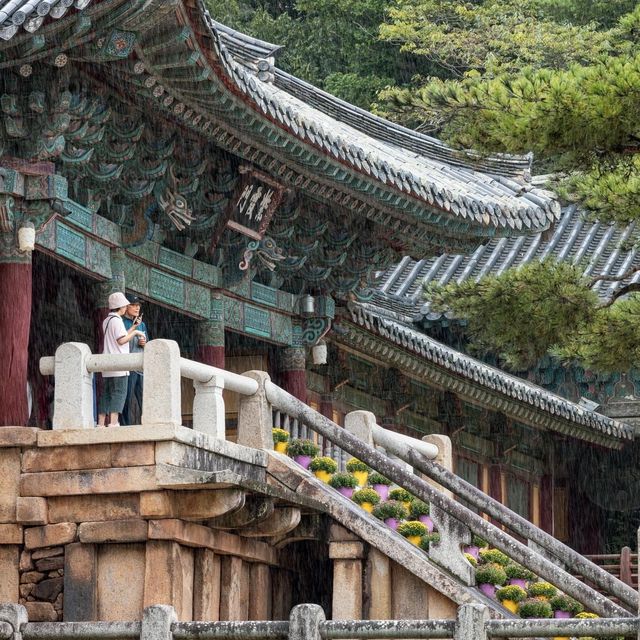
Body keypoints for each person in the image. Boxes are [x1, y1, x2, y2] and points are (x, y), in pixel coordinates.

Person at [97, 292, 145, 428]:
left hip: (108, 363)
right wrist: (136, 332)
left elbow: (120, 335)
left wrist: (133, 328)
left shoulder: (107, 320)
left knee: (106, 394)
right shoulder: (118, 321)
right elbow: (121, 340)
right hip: (119, 364)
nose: (126, 308)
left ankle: (101, 423)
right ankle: (113, 423)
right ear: (121, 306)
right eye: (125, 305)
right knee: (119, 393)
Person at [121, 296, 148, 426]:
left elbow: (148, 346)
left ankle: (148, 425)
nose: (137, 307)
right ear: (126, 306)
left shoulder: (142, 324)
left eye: (139, 305)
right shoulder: (120, 322)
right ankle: (124, 425)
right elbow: (120, 340)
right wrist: (133, 328)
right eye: (134, 305)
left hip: (141, 368)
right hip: (127, 366)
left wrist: (144, 343)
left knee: (144, 398)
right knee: (126, 397)